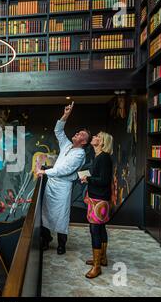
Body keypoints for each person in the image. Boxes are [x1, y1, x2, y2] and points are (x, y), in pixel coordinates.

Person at [36, 103, 90, 254]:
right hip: (52, 185)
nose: (77, 134)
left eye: (81, 135)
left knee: (61, 216)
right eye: (78, 132)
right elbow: (58, 130)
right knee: (46, 214)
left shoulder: (80, 154)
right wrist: (66, 114)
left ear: (84, 142)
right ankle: (46, 240)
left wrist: (44, 172)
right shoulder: (66, 145)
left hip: (63, 186)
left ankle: (61, 244)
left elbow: (64, 170)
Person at [81, 131, 114, 278]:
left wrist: (88, 179)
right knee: (100, 228)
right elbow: (99, 178)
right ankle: (102, 258)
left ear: (102, 142)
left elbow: (104, 181)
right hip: (97, 198)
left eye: (97, 137)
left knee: (95, 230)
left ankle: (97, 266)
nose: (94, 137)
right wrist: (89, 179)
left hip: (99, 199)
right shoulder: (99, 157)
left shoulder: (104, 158)